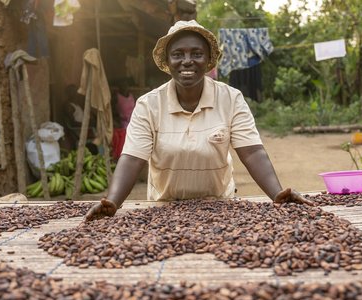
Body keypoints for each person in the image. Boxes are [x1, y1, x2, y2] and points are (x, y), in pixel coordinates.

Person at [85, 20, 313, 221]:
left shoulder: (230, 98)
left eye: (196, 53)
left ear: (208, 60)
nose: (187, 61)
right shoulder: (149, 105)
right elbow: (133, 159)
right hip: (162, 208)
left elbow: (252, 152)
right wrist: (113, 202)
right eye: (178, 54)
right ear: (168, 60)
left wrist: (277, 194)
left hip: (221, 207)